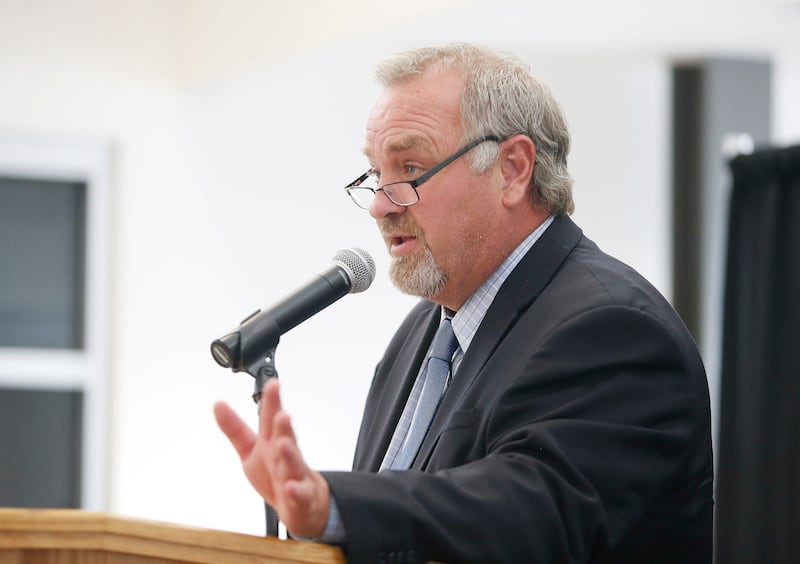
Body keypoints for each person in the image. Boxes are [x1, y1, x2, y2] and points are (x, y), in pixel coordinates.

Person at [214, 43, 714, 563]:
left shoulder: (613, 327)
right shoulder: (422, 331)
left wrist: (334, 504)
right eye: (376, 174)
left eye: (409, 168)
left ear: (513, 170)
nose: (381, 205)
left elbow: (527, 512)